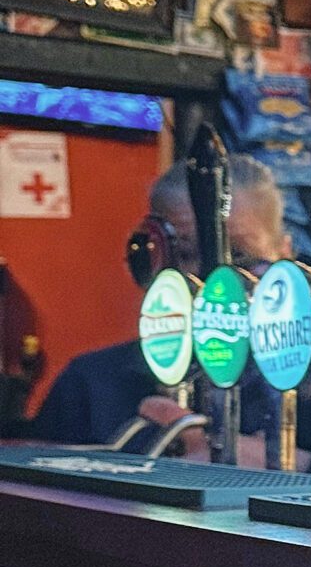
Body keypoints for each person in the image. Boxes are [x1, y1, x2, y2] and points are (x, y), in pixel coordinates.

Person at [31, 154, 291, 445]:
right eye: (184, 255)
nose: (213, 280)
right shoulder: (90, 385)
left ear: (284, 254)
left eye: (239, 255)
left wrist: (297, 468)